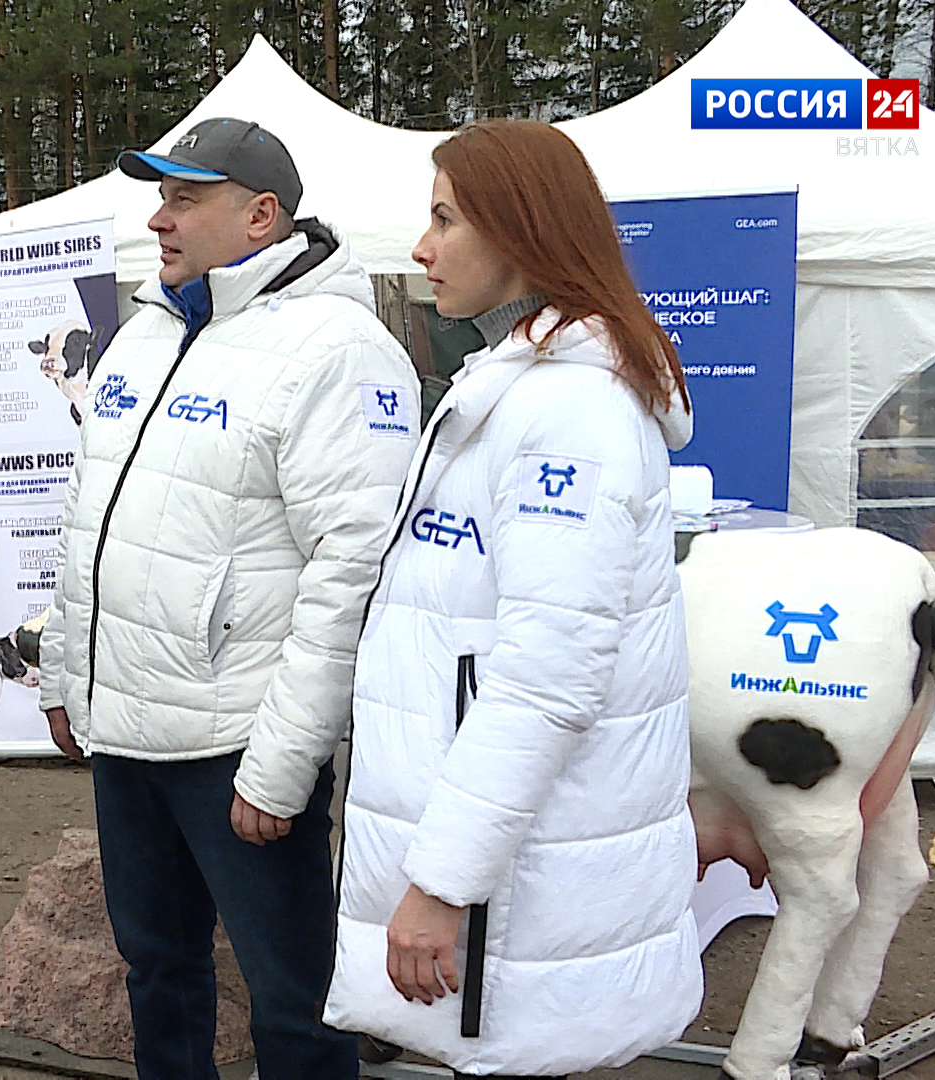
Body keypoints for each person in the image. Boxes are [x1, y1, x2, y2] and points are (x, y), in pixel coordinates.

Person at [36, 117, 420, 1079]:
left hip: (237, 746)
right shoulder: (142, 333)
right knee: (157, 972)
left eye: (184, 197)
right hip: (126, 731)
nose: (159, 219)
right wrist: (65, 679)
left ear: (261, 215)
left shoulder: (340, 348)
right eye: (159, 197)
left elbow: (351, 572)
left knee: (292, 1000)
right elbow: (91, 519)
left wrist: (284, 763)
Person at [322, 119, 703, 1079]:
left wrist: (443, 883)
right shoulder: (518, 390)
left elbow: (546, 680)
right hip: (511, 870)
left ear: (523, 233)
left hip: (515, 889)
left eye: (446, 218)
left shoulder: (568, 415)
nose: (420, 247)